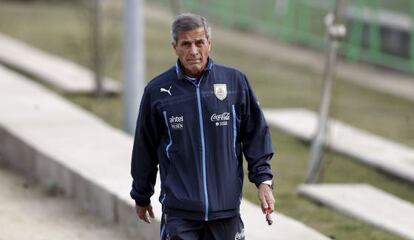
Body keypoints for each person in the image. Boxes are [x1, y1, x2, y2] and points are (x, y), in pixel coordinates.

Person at [130, 13, 275, 240]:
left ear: (209, 43)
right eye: (185, 44)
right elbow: (144, 149)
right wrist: (141, 195)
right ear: (174, 47)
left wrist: (263, 182)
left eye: (199, 42)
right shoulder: (157, 91)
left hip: (225, 212)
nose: (193, 51)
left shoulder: (235, 83)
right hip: (179, 214)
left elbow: (255, 136)